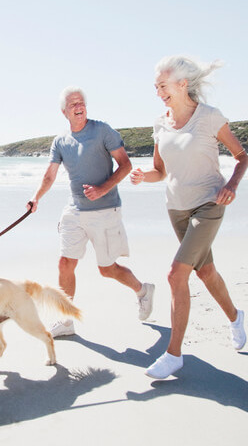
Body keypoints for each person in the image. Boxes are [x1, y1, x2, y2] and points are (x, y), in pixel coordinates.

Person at [130, 55, 248, 379]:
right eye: (156, 87)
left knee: (175, 274)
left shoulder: (210, 118)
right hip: (176, 208)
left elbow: (242, 157)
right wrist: (144, 176)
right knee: (206, 272)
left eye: (163, 85)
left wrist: (232, 186)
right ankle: (235, 315)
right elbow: (160, 171)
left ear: (183, 84)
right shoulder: (160, 123)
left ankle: (174, 354)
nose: (159, 92)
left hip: (209, 204)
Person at [28, 86, 155, 337]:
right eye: (73, 104)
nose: (79, 106)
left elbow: (126, 164)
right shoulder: (60, 141)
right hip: (74, 210)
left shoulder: (102, 131)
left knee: (107, 269)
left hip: (105, 210)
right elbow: (50, 174)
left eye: (81, 102)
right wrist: (36, 198)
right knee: (65, 263)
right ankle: (66, 321)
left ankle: (143, 290)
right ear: (64, 111)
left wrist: (102, 188)